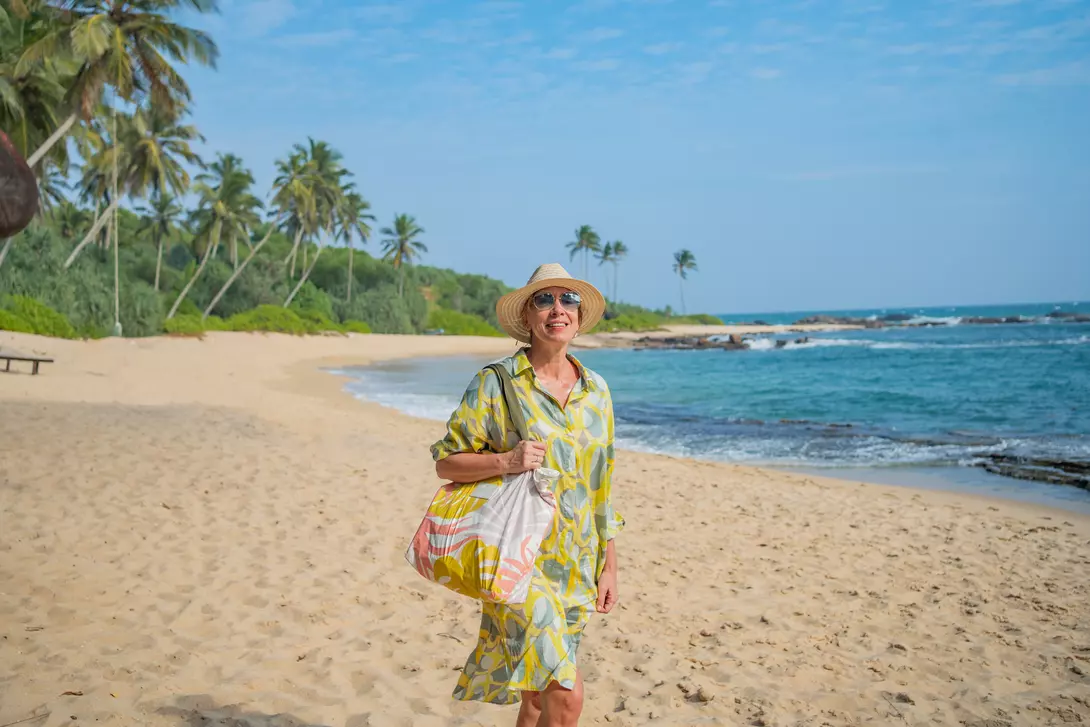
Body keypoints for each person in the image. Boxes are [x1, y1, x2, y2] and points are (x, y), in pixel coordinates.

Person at [430, 262, 625, 727]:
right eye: (545, 299)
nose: (558, 309)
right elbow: (446, 462)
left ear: (579, 314)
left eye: (568, 299)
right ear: (528, 315)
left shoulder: (597, 391)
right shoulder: (497, 383)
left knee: (537, 699)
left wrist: (610, 564)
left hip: (578, 563)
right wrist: (506, 461)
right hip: (520, 562)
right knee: (566, 694)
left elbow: (603, 486)